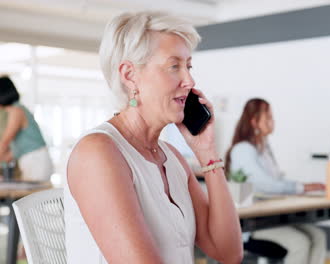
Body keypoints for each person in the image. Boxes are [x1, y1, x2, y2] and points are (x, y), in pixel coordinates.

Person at [64, 12, 243, 264]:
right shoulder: (98, 153)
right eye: (174, 66)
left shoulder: (172, 158)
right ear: (129, 75)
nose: (189, 80)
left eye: (188, 66)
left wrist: (208, 153)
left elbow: (229, 253)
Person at [225, 98, 327, 264]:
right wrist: (302, 187)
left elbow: (277, 180)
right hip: (251, 227)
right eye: (268, 118)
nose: (273, 122)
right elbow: (267, 185)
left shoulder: (263, 149)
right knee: (301, 243)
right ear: (254, 122)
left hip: (270, 220)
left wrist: (303, 187)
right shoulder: (243, 150)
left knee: (318, 236)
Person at [0, 76, 53, 182]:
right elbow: (15, 149)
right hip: (31, 160)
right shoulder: (15, 110)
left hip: (36, 160)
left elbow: (5, 142)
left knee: (34, 197)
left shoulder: (16, 111)